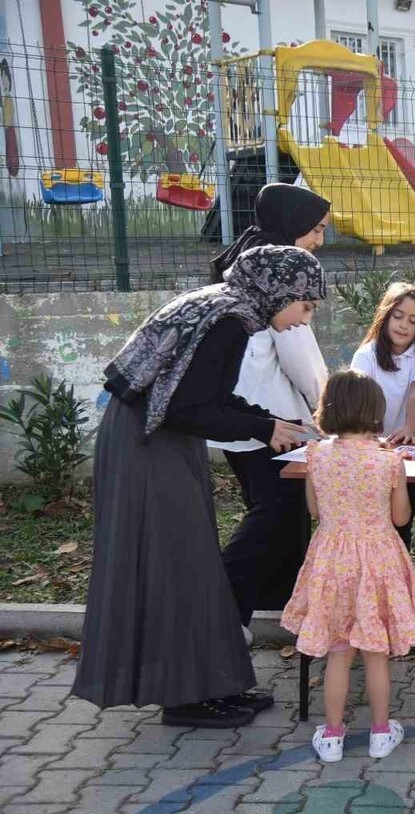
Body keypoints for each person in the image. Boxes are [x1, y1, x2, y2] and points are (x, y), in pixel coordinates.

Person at [72, 246, 325, 728]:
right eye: (305, 305)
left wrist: (266, 420)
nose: (302, 320)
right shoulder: (229, 320)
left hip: (151, 436)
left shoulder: (221, 305)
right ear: (278, 290)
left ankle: (211, 687)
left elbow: (203, 396)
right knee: (177, 565)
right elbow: (187, 408)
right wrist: (263, 429)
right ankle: (186, 697)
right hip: (150, 443)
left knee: (191, 563)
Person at [281, 370, 415, 763]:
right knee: (375, 652)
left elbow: (315, 510)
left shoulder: (316, 456)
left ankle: (332, 735)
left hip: (331, 560)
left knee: (338, 650)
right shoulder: (388, 462)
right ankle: (381, 733)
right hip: (378, 559)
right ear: (374, 410)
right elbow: (401, 518)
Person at [210, 183, 333, 631]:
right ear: (293, 225)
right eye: (316, 230)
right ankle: (224, 607)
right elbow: (300, 357)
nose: (320, 241)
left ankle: (272, 599)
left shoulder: (245, 261)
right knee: (277, 514)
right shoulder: (281, 273)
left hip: (238, 418)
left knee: (273, 510)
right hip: (272, 422)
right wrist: (330, 410)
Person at [350, 283, 415, 550]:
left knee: (400, 523)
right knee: (370, 519)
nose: (403, 326)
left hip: (405, 450)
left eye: (413, 321)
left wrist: (409, 429)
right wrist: (370, 441)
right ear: (385, 315)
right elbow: (358, 398)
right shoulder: (367, 354)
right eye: (398, 316)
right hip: (368, 448)